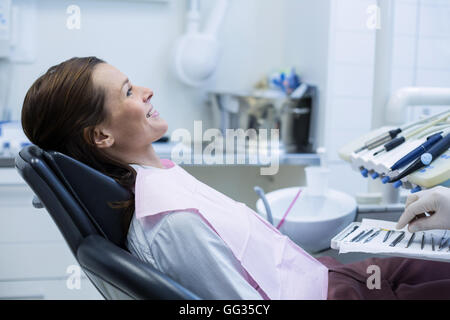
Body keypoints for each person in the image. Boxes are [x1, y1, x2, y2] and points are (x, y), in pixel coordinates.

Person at [21, 56, 450, 300]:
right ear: (101, 135)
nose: (148, 91)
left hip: (330, 276)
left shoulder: (160, 179)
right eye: (129, 92)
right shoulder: (170, 221)